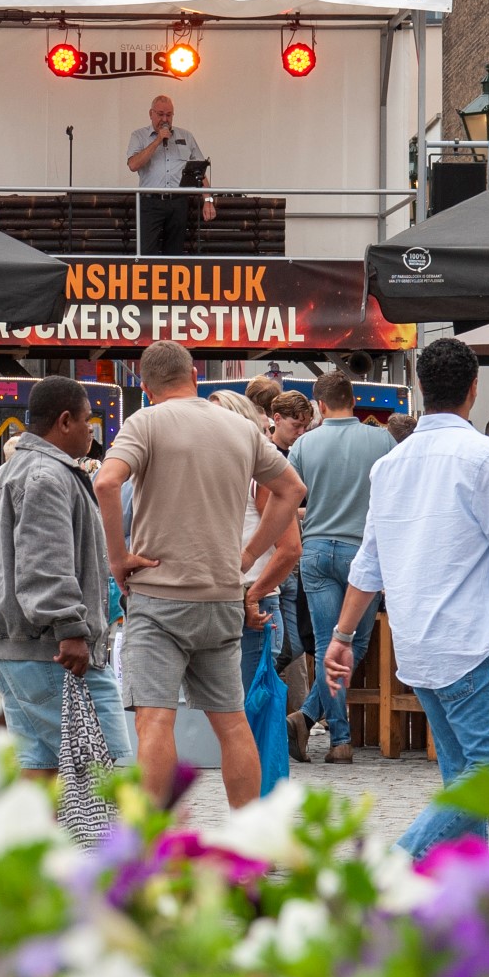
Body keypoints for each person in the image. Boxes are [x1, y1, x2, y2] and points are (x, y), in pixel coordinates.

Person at [324, 337, 489, 858]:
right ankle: (396, 866)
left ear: (420, 388)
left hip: (420, 644)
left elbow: (368, 564)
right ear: (474, 389)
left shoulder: (391, 465)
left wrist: (342, 635)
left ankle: (460, 901)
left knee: (466, 780)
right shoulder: (486, 457)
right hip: (471, 640)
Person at [94, 341, 304, 810]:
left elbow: (106, 482)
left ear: (146, 387)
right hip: (222, 598)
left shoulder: (145, 422)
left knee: (155, 721)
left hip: (159, 598)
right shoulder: (240, 427)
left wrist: (118, 557)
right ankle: (249, 840)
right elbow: (292, 489)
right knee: (231, 723)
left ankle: (153, 845)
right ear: (193, 372)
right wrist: (247, 555)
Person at [0, 377, 134, 778]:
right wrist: (70, 628)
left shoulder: (17, 469)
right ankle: (109, 843)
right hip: (48, 645)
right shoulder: (46, 475)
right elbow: (45, 561)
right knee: (110, 769)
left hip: (15, 641)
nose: (90, 431)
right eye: (86, 422)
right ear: (64, 421)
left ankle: (35, 839)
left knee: (40, 763)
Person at [285, 370, 396, 764]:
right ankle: (337, 737)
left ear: (319, 405)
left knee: (327, 643)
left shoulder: (303, 444)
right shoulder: (381, 439)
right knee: (352, 642)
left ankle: (315, 721)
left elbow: (290, 498)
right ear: (354, 401)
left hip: (314, 551)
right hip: (361, 553)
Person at [210, 391, 299, 706]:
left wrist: (253, 593)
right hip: (221, 602)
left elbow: (289, 549)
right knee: (227, 717)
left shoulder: (259, 477)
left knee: (248, 715)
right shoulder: (216, 474)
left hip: (254, 607)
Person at [126, 94, 215, 255]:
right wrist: (157, 140)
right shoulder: (138, 136)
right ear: (150, 114)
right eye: (160, 114)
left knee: (174, 253)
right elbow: (133, 165)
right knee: (146, 252)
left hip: (178, 202)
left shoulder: (186, 136)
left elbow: (199, 171)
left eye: (169, 115)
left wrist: (208, 200)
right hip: (150, 202)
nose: (165, 119)